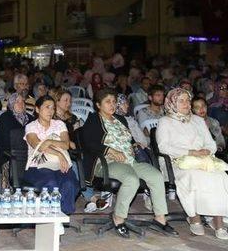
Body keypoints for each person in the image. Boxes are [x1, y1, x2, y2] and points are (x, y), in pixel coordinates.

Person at [81, 88, 177, 238]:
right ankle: (118, 218)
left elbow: (128, 139)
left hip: (130, 161)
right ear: (98, 105)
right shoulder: (93, 119)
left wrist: (134, 145)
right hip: (106, 163)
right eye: (107, 102)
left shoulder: (121, 119)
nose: (112, 105)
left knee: (156, 176)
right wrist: (110, 151)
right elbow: (88, 143)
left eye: (113, 101)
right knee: (131, 180)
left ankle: (160, 219)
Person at [157, 88, 228, 239]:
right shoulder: (165, 122)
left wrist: (207, 151)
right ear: (172, 102)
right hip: (176, 161)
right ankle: (194, 218)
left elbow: (211, 144)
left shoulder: (198, 120)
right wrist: (191, 152)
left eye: (187, 100)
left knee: (220, 176)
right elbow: (163, 147)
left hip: (202, 160)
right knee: (193, 177)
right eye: (181, 100)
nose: (186, 103)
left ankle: (218, 222)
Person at [23, 96, 80, 214]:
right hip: (38, 165)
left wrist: (49, 141)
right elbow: (37, 145)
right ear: (37, 109)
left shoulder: (59, 124)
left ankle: (62, 214)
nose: (51, 111)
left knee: (69, 184)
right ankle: (56, 217)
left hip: (60, 165)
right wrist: (58, 153)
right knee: (51, 183)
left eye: (53, 108)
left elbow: (66, 144)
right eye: (47, 107)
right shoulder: (31, 126)